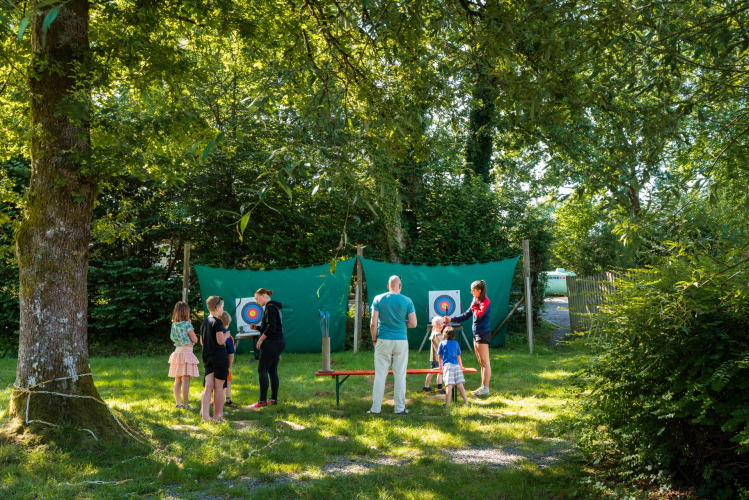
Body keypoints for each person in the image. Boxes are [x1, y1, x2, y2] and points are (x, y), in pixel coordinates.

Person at [368, 275, 417, 415]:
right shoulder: (407, 300)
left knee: (380, 376)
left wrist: (374, 339)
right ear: (400, 286)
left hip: (383, 340)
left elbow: (373, 323)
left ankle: (375, 409)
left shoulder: (378, 298)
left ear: (388, 286)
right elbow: (413, 324)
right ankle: (400, 408)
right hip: (401, 341)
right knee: (400, 375)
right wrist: (402, 324)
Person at [446, 279, 492, 396]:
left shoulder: (485, 302)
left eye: (473, 290)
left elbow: (479, 315)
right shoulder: (476, 301)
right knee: (481, 362)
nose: (471, 292)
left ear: (479, 290)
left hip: (483, 334)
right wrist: (452, 319)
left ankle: (486, 388)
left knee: (485, 363)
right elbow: (467, 314)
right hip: (476, 334)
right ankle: (482, 387)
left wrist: (474, 305)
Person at [248, 288, 286, 409]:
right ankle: (273, 399)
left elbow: (271, 328)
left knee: (262, 370)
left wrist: (260, 339)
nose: (256, 301)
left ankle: (262, 401)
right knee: (272, 370)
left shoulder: (269, 307)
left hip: (272, 343)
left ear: (264, 296)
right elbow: (272, 326)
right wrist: (258, 328)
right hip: (279, 342)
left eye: (257, 298)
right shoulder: (274, 306)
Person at [200, 296, 230, 421]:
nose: (222, 310)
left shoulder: (204, 322)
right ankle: (217, 415)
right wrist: (226, 335)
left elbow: (202, 342)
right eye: (222, 307)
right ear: (217, 308)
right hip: (219, 358)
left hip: (207, 357)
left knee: (208, 386)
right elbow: (220, 340)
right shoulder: (217, 322)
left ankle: (205, 417)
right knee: (219, 386)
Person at [168, 301, 199, 409]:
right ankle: (186, 404)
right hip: (186, 353)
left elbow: (172, 338)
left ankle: (178, 403)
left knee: (177, 380)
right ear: (186, 312)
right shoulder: (187, 324)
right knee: (186, 379)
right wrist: (190, 326)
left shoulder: (174, 324)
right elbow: (195, 339)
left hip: (177, 352)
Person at [438, 326, 470, 408]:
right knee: (460, 385)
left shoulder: (442, 343)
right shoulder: (456, 343)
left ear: (444, 335)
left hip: (448, 367)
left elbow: (440, 356)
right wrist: (461, 366)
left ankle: (447, 404)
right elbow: (458, 356)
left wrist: (440, 367)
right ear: (454, 336)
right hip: (457, 366)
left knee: (449, 385)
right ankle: (467, 402)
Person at [422, 316, 445, 394]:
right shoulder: (437, 334)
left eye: (442, 323)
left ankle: (426, 386)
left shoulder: (434, 332)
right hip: (438, 357)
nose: (440, 325)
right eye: (438, 324)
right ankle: (439, 388)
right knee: (439, 372)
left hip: (434, 357)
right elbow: (441, 346)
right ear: (433, 325)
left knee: (432, 371)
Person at [220, 311, 237, 408]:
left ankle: (216, 399)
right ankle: (227, 399)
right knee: (227, 381)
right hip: (225, 364)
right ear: (227, 324)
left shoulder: (214, 335)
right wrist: (229, 367)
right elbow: (231, 353)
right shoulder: (228, 338)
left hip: (215, 363)